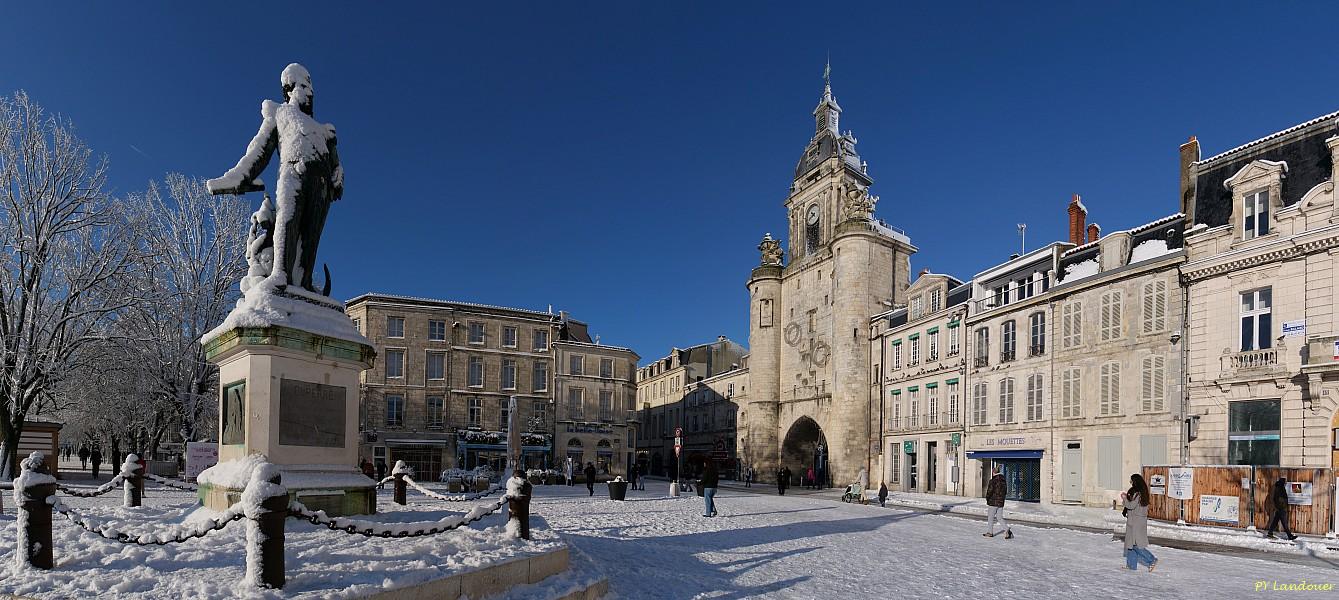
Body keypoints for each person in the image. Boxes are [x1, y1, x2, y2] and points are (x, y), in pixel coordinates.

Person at [1121, 473, 1157, 571]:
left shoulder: (1138, 493)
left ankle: (1151, 559)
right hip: (1137, 521)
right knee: (1131, 544)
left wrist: (1124, 499)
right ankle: (1131, 566)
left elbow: (1131, 505)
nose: (1131, 483)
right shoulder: (1143, 492)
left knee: (1135, 545)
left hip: (1135, 522)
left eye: (1132, 481)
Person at [983, 471, 1013, 539]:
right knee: (999, 517)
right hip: (1001, 502)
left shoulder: (993, 481)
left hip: (993, 502)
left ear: (994, 472)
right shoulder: (1003, 481)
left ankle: (990, 532)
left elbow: (989, 491)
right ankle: (1007, 530)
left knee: (990, 518)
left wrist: (987, 498)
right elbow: (1005, 492)